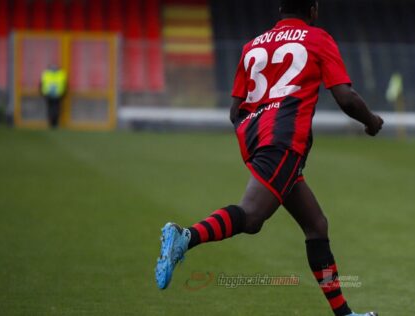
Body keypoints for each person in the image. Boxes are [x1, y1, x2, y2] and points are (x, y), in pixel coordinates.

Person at [155, 1, 383, 315]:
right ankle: (185, 237)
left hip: (255, 139)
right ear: (313, 10)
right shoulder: (317, 38)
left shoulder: (252, 46)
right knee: (252, 217)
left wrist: (257, 128)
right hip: (283, 141)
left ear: (279, 9)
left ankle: (344, 314)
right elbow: (345, 96)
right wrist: (371, 122)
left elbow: (234, 111)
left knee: (316, 225)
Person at [39, 64, 67, 129]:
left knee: (52, 109)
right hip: (56, 94)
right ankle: (54, 123)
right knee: (55, 109)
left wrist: (42, 92)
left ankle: (53, 123)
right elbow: (65, 84)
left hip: (52, 94)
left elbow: (41, 83)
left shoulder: (46, 73)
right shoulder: (61, 73)